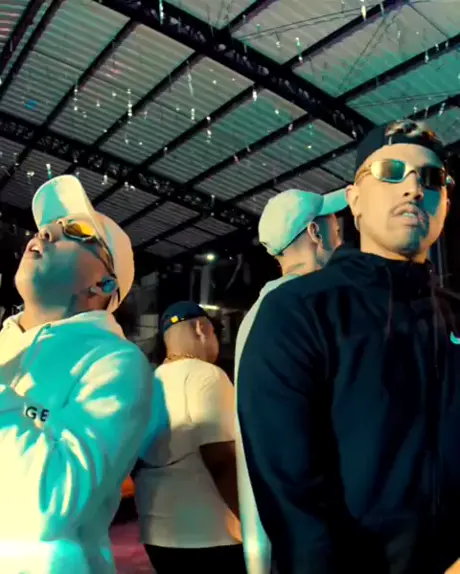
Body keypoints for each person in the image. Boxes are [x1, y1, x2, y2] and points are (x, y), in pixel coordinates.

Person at [237, 119, 460, 574]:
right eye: (391, 172)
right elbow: (292, 498)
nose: (414, 188)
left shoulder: (454, 315)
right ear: (355, 201)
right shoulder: (298, 312)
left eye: (432, 177)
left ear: (445, 204)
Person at [0, 175, 152, 574]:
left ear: (103, 284)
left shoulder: (116, 362)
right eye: (47, 226)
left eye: (78, 232)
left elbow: (49, 505)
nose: (45, 233)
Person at [234, 188, 346, 574]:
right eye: (335, 227)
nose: (340, 236)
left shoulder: (259, 313)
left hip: (287, 535)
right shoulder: (312, 307)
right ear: (315, 232)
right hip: (331, 538)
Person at [134, 301, 244, 574]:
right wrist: (250, 523)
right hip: (210, 534)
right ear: (201, 328)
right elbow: (220, 459)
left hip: (157, 533)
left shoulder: (149, 382)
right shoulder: (206, 375)